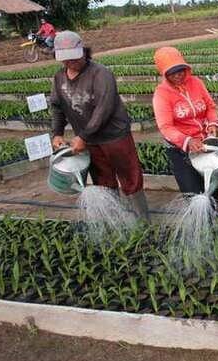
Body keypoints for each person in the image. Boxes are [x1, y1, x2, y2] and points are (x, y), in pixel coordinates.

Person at [49, 31, 150, 222]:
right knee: (103, 182)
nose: (71, 62)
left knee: (130, 179)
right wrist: (57, 133)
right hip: (90, 141)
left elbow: (103, 109)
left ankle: (143, 223)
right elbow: (56, 107)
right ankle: (116, 222)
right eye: (66, 59)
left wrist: (83, 137)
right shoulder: (59, 78)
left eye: (75, 57)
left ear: (83, 52)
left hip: (114, 136)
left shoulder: (100, 74)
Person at [152, 46, 218, 202]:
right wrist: (187, 141)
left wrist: (212, 124)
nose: (179, 75)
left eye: (181, 70)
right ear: (165, 74)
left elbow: (210, 107)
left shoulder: (196, 83)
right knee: (193, 194)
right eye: (173, 72)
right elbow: (166, 127)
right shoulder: (162, 94)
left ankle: (212, 216)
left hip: (205, 144)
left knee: (212, 189)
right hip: (180, 150)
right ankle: (198, 218)